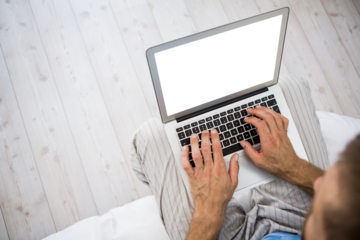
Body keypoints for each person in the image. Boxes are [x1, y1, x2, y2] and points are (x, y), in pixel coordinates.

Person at [129, 75, 360, 240]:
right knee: (290, 87)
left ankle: (145, 173)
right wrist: (293, 167)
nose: (319, 181)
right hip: (301, 224)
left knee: (152, 136)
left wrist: (209, 209)